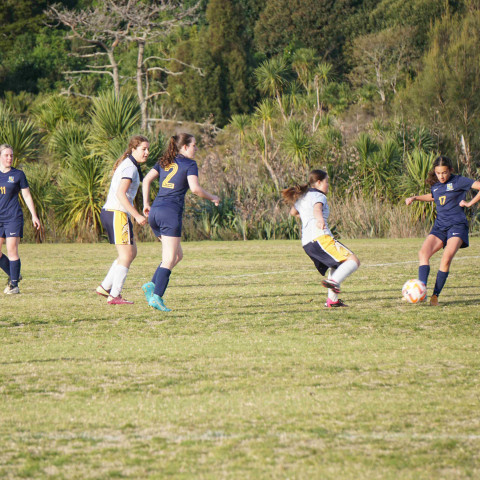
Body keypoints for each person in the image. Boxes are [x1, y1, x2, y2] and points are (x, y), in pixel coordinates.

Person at [142, 133, 219, 311]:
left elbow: (146, 180)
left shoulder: (165, 160)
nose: (196, 148)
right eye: (194, 145)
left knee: (177, 256)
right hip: (170, 213)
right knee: (169, 258)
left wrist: (146, 203)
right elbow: (195, 189)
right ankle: (157, 296)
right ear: (184, 147)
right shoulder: (190, 164)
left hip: (155, 212)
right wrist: (213, 197)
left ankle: (152, 285)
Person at [405, 155, 480, 306]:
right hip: (440, 226)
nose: (441, 176)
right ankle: (422, 291)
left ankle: (435, 296)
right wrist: (415, 197)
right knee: (423, 254)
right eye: (438, 173)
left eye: (444, 173)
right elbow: (434, 196)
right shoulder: (436, 185)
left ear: (450, 170)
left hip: (457, 226)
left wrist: (470, 203)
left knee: (445, 259)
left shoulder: (459, 181)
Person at [282, 169, 360, 307]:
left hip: (307, 243)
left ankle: (332, 301)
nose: (328, 185)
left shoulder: (303, 196)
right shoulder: (319, 196)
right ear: (318, 182)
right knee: (353, 261)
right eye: (326, 182)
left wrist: (307, 217)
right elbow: (317, 209)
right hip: (320, 238)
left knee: (337, 264)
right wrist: (319, 220)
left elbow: (293, 212)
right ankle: (334, 282)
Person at [96, 135, 149, 305]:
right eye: (143, 149)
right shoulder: (130, 168)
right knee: (126, 255)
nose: (147, 152)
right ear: (133, 149)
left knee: (131, 253)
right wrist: (137, 215)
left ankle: (105, 287)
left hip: (115, 213)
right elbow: (121, 194)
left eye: (148, 149)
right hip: (116, 213)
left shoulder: (130, 164)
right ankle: (114, 295)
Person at [0, 144, 41, 294]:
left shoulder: (18, 175)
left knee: (12, 250)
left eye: (11, 155)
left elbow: (27, 195)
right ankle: (14, 274)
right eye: (6, 155)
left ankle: (14, 285)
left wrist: (34, 215)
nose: (9, 158)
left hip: (13, 218)